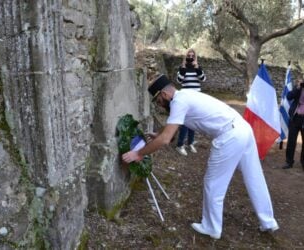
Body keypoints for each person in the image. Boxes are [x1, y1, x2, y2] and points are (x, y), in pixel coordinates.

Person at [122, 74, 279, 239]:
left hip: (230, 136)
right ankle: (268, 221)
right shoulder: (185, 95)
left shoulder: (178, 102)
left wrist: (138, 154)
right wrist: (158, 134)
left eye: (158, 101)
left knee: (213, 184)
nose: (159, 106)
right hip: (243, 129)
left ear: (164, 94)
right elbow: (170, 131)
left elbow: (166, 140)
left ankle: (211, 227)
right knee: (254, 177)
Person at [175, 48, 206, 156]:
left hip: (196, 97)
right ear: (186, 56)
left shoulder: (198, 67)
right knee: (185, 121)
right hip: (185, 97)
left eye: (193, 56)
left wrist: (197, 67)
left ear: (195, 57)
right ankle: (180, 145)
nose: (191, 57)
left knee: (193, 120)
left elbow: (203, 79)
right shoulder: (182, 68)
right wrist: (183, 67)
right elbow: (179, 80)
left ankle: (190, 142)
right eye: (189, 55)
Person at [283, 77, 304, 170]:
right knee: (291, 141)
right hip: (295, 118)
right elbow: (289, 96)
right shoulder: (299, 88)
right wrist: (298, 87)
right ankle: (289, 162)